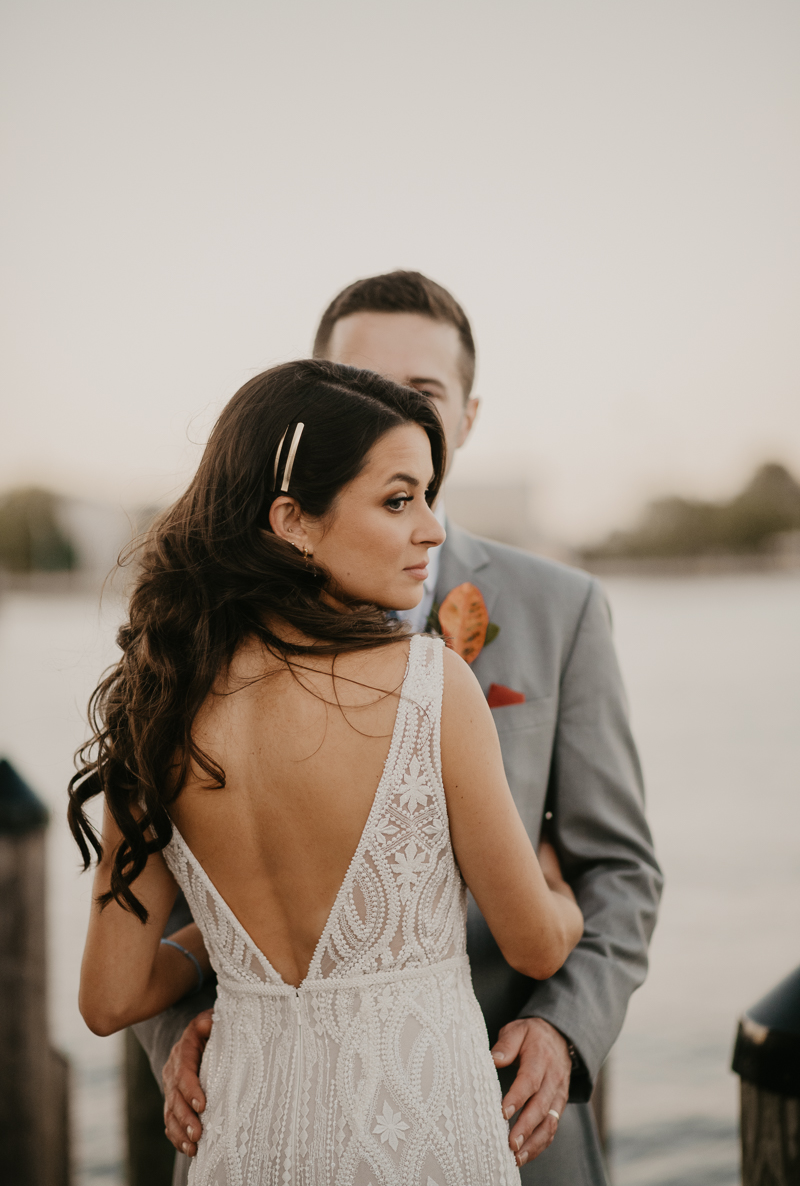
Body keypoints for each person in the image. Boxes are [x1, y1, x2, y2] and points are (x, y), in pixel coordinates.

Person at [144, 272, 663, 1184]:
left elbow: (619, 868)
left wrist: (563, 1028)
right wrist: (169, 1034)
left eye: (418, 393)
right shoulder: (198, 646)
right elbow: (167, 872)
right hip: (262, 1113)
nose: (383, 407)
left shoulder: (560, 609)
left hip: (498, 1122)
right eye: (352, 385)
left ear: (464, 416)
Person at [69, 358, 586, 1185]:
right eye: (397, 499)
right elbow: (531, 946)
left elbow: (110, 998)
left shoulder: (156, 705)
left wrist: (225, 943)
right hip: (424, 1141)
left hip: (244, 1147)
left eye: (426, 495)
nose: (433, 529)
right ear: (293, 521)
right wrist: (556, 888)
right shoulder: (428, 685)